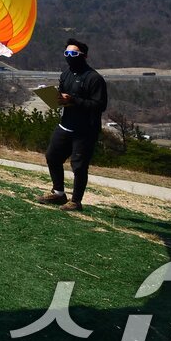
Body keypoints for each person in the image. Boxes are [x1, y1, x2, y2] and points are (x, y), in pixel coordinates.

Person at [37, 37, 108, 212]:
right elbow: (63, 95)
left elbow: (100, 105)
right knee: (52, 157)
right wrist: (56, 98)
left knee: (79, 166)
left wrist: (74, 100)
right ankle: (59, 193)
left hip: (85, 130)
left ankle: (76, 201)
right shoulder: (66, 74)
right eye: (66, 53)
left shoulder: (94, 78)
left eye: (73, 53)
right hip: (65, 124)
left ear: (83, 56)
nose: (69, 56)